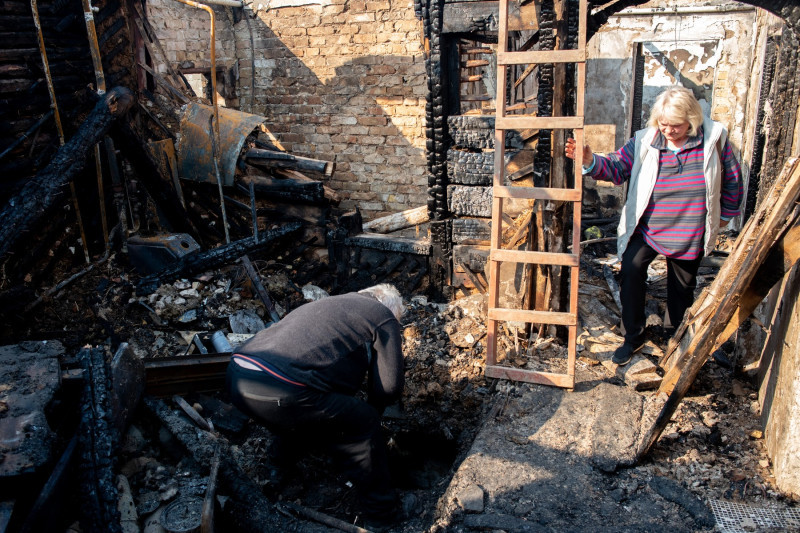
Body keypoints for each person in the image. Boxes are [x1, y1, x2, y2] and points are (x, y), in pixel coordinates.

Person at [566, 86, 742, 366]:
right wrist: (590, 160)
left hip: (689, 228)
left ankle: (675, 336)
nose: (668, 131)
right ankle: (632, 336)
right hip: (647, 227)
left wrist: (723, 218)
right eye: (663, 124)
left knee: (682, 287)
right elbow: (617, 168)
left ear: (692, 120)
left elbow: (733, 180)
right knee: (631, 271)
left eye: (676, 126)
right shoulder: (645, 140)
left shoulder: (714, 140)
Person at [225, 283, 405, 524]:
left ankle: (279, 468)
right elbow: (389, 386)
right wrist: (374, 410)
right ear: (391, 310)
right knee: (364, 421)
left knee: (307, 415)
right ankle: (383, 515)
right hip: (283, 388)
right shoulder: (382, 315)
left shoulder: (329, 304)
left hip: (237, 375)